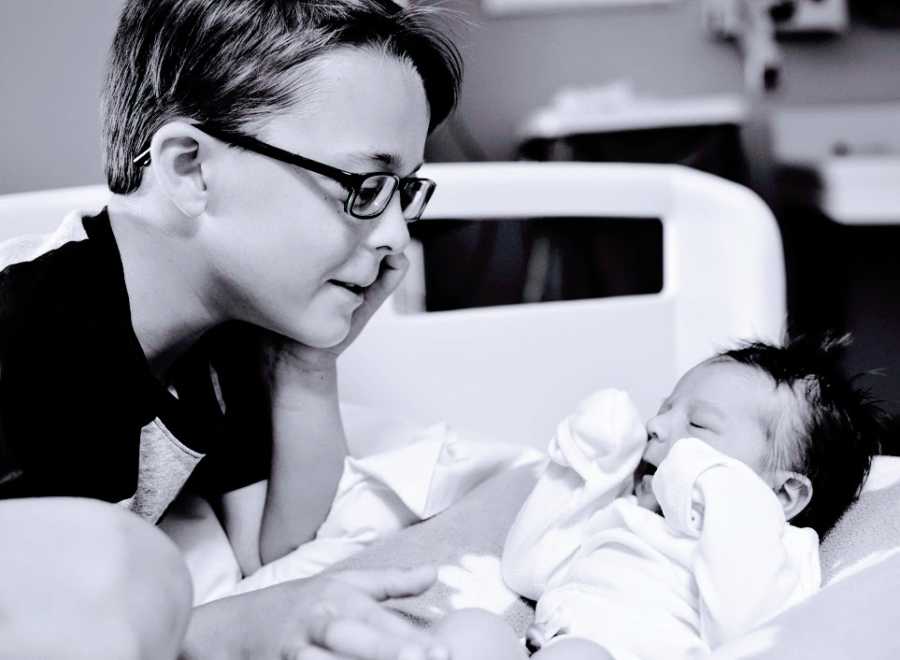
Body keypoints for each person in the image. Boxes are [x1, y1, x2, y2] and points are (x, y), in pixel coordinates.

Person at [0, 1, 462, 659]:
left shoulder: (223, 321)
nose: (394, 237)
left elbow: (273, 551)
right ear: (190, 167)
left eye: (404, 193)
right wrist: (246, 631)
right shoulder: (49, 332)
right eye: (364, 185)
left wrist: (310, 364)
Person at [429, 335, 885, 660]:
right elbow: (529, 570)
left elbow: (740, 626)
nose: (656, 427)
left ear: (784, 494)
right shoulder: (629, 513)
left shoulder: (776, 550)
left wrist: (715, 485)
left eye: (699, 425)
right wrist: (587, 467)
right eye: (664, 409)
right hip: (547, 642)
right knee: (472, 629)